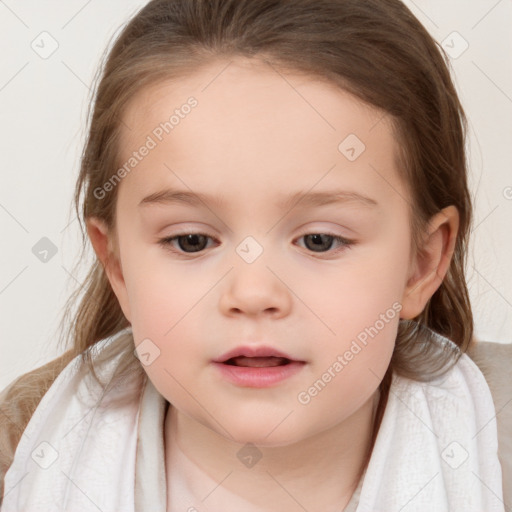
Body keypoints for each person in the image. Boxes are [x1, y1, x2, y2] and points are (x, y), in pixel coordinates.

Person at [0, 0, 510, 510]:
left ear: (421, 264)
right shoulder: (22, 453)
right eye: (191, 241)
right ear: (118, 268)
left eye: (320, 240)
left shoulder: (496, 448)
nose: (253, 294)